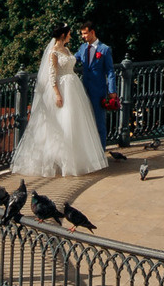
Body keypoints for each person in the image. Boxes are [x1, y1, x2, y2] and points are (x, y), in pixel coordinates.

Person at [8, 27, 107, 179]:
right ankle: (60, 163)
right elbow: (52, 74)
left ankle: (74, 161)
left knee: (74, 124)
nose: (70, 36)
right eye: (68, 34)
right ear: (63, 35)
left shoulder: (67, 50)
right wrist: (57, 94)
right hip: (62, 88)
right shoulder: (53, 52)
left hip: (73, 88)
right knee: (60, 124)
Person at [74, 23, 121, 144]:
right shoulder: (82, 48)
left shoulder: (104, 49)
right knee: (84, 121)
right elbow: (73, 59)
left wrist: (112, 91)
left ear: (92, 32)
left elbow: (110, 71)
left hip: (98, 90)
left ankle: (101, 152)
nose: (83, 36)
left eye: (85, 33)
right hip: (84, 90)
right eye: (82, 34)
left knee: (99, 122)